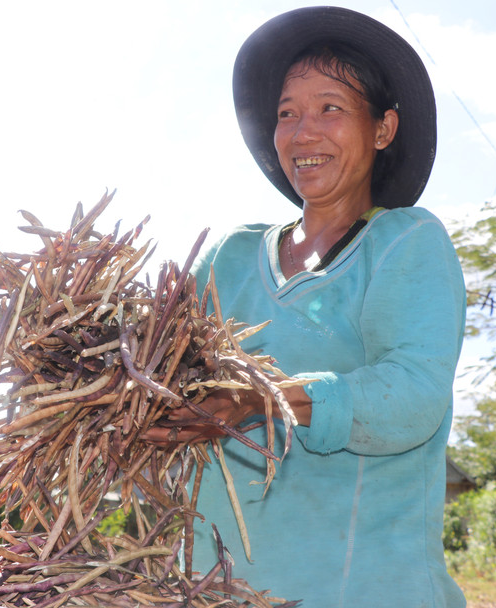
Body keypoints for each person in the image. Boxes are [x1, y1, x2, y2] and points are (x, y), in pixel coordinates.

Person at [146, 6, 467, 607]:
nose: (302, 133)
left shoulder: (404, 242)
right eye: (286, 113)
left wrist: (260, 398)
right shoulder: (227, 258)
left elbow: (413, 396)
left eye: (330, 108)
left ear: (383, 129)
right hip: (216, 592)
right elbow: (156, 369)